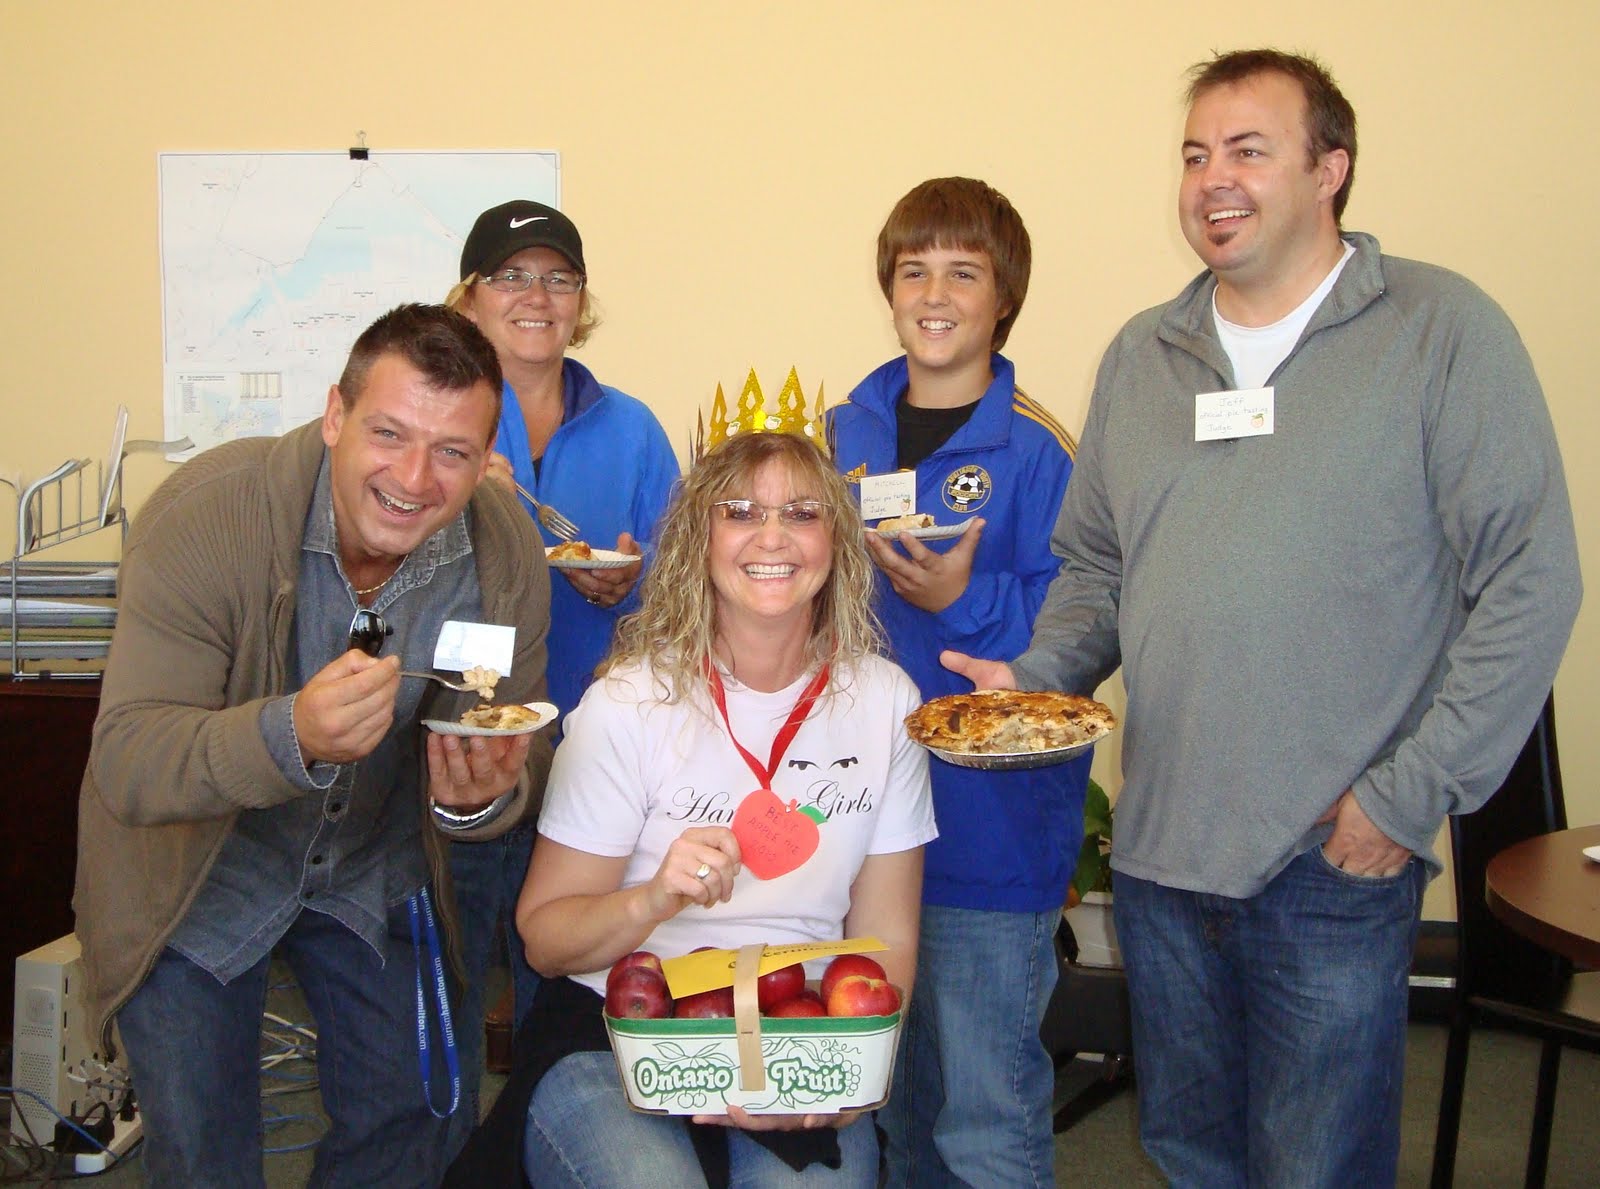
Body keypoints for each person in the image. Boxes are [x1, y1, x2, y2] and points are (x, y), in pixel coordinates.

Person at [945, 49, 1582, 1186]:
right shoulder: (1145, 354)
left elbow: (1530, 580)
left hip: (1330, 856)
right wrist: (1037, 676)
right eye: (1194, 154)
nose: (1210, 179)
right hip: (1161, 856)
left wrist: (1401, 796)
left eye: (1247, 149)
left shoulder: (1439, 331)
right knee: (1193, 1155)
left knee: (1313, 1168)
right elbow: (1094, 564)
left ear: (1330, 168)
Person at [73, 303, 555, 1187]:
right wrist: (289, 731)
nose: (414, 477)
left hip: (376, 860)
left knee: (418, 1117)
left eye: (453, 451)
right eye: (388, 433)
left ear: (488, 458)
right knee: (204, 1149)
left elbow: (514, 747)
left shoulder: (503, 550)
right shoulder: (206, 515)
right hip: (197, 874)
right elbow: (130, 759)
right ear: (335, 415)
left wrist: (477, 798)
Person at [447, 427, 937, 1187]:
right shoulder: (627, 702)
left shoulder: (884, 703)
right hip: (616, 1030)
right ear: (697, 541)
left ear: (837, 543)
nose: (771, 535)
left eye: (803, 514)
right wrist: (652, 899)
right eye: (740, 511)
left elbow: (886, 938)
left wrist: (844, 1087)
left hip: (795, 1028)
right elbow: (544, 940)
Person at [828, 176, 1090, 1187]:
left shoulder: (1040, 448)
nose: (934, 291)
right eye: (913, 269)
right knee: (891, 1106)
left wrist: (959, 598)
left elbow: (1079, 624)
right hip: (860, 826)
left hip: (991, 832)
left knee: (985, 1116)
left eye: (963, 271)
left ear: (1003, 296)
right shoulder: (840, 433)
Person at [443, 198, 679, 1127]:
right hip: (462, 753)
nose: (537, 296)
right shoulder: (438, 418)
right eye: (512, 276)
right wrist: (463, 498)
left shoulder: (633, 430)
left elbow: (685, 592)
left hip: (593, 764)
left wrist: (626, 586)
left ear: (582, 302)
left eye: (559, 277)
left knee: (563, 1014)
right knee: (450, 998)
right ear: (468, 299)